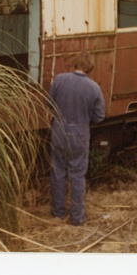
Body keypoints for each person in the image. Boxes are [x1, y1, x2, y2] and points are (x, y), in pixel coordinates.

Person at [48, 51, 106, 226]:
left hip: (58, 130)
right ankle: (77, 217)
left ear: (75, 63)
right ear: (90, 67)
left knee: (58, 171)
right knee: (77, 175)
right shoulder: (94, 87)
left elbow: (49, 104)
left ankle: (58, 212)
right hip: (79, 133)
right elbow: (99, 117)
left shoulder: (59, 79)